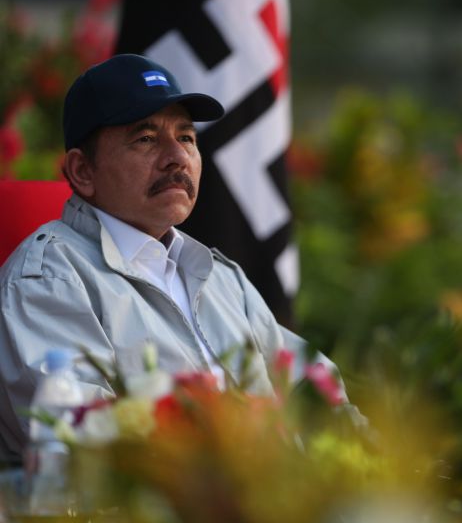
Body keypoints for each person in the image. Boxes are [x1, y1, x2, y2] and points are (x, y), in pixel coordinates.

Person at [0, 54, 345, 464]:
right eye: (145, 138)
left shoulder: (218, 275)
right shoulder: (49, 278)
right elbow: (79, 441)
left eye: (186, 137)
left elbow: (319, 389)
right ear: (82, 171)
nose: (176, 157)